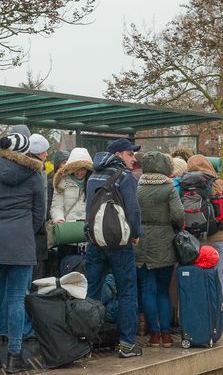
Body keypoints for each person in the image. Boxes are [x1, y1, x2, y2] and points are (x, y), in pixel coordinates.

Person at [0, 133, 45, 373]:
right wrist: (24, 230)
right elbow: (39, 214)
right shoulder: (34, 175)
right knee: (16, 300)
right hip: (22, 242)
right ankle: (15, 357)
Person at [85, 138, 142, 358]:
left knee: (92, 292)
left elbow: (89, 209)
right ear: (118, 154)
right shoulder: (126, 178)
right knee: (127, 292)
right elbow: (134, 211)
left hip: (95, 241)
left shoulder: (93, 176)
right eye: (130, 154)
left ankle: (88, 342)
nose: (134, 158)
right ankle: (127, 344)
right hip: (120, 243)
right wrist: (135, 234)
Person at [186, 154, 223, 330]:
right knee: (220, 277)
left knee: (198, 277)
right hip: (220, 237)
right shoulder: (217, 183)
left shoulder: (185, 184)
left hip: (196, 239)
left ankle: (202, 315)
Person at [135, 151, 184, 347]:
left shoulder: (136, 186)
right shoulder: (168, 187)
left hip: (142, 242)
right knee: (163, 290)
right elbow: (178, 214)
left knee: (147, 289)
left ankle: (153, 335)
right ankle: (167, 335)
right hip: (165, 241)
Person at [28, 133, 50, 281]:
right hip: (35, 229)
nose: (47, 154)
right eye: (45, 151)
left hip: (27, 227)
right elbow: (40, 202)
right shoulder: (38, 171)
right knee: (36, 275)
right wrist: (39, 225)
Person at [48, 150, 70, 215]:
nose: (67, 165)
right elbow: (48, 204)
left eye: (68, 162)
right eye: (64, 163)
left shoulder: (73, 179)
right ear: (58, 166)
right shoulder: (51, 182)